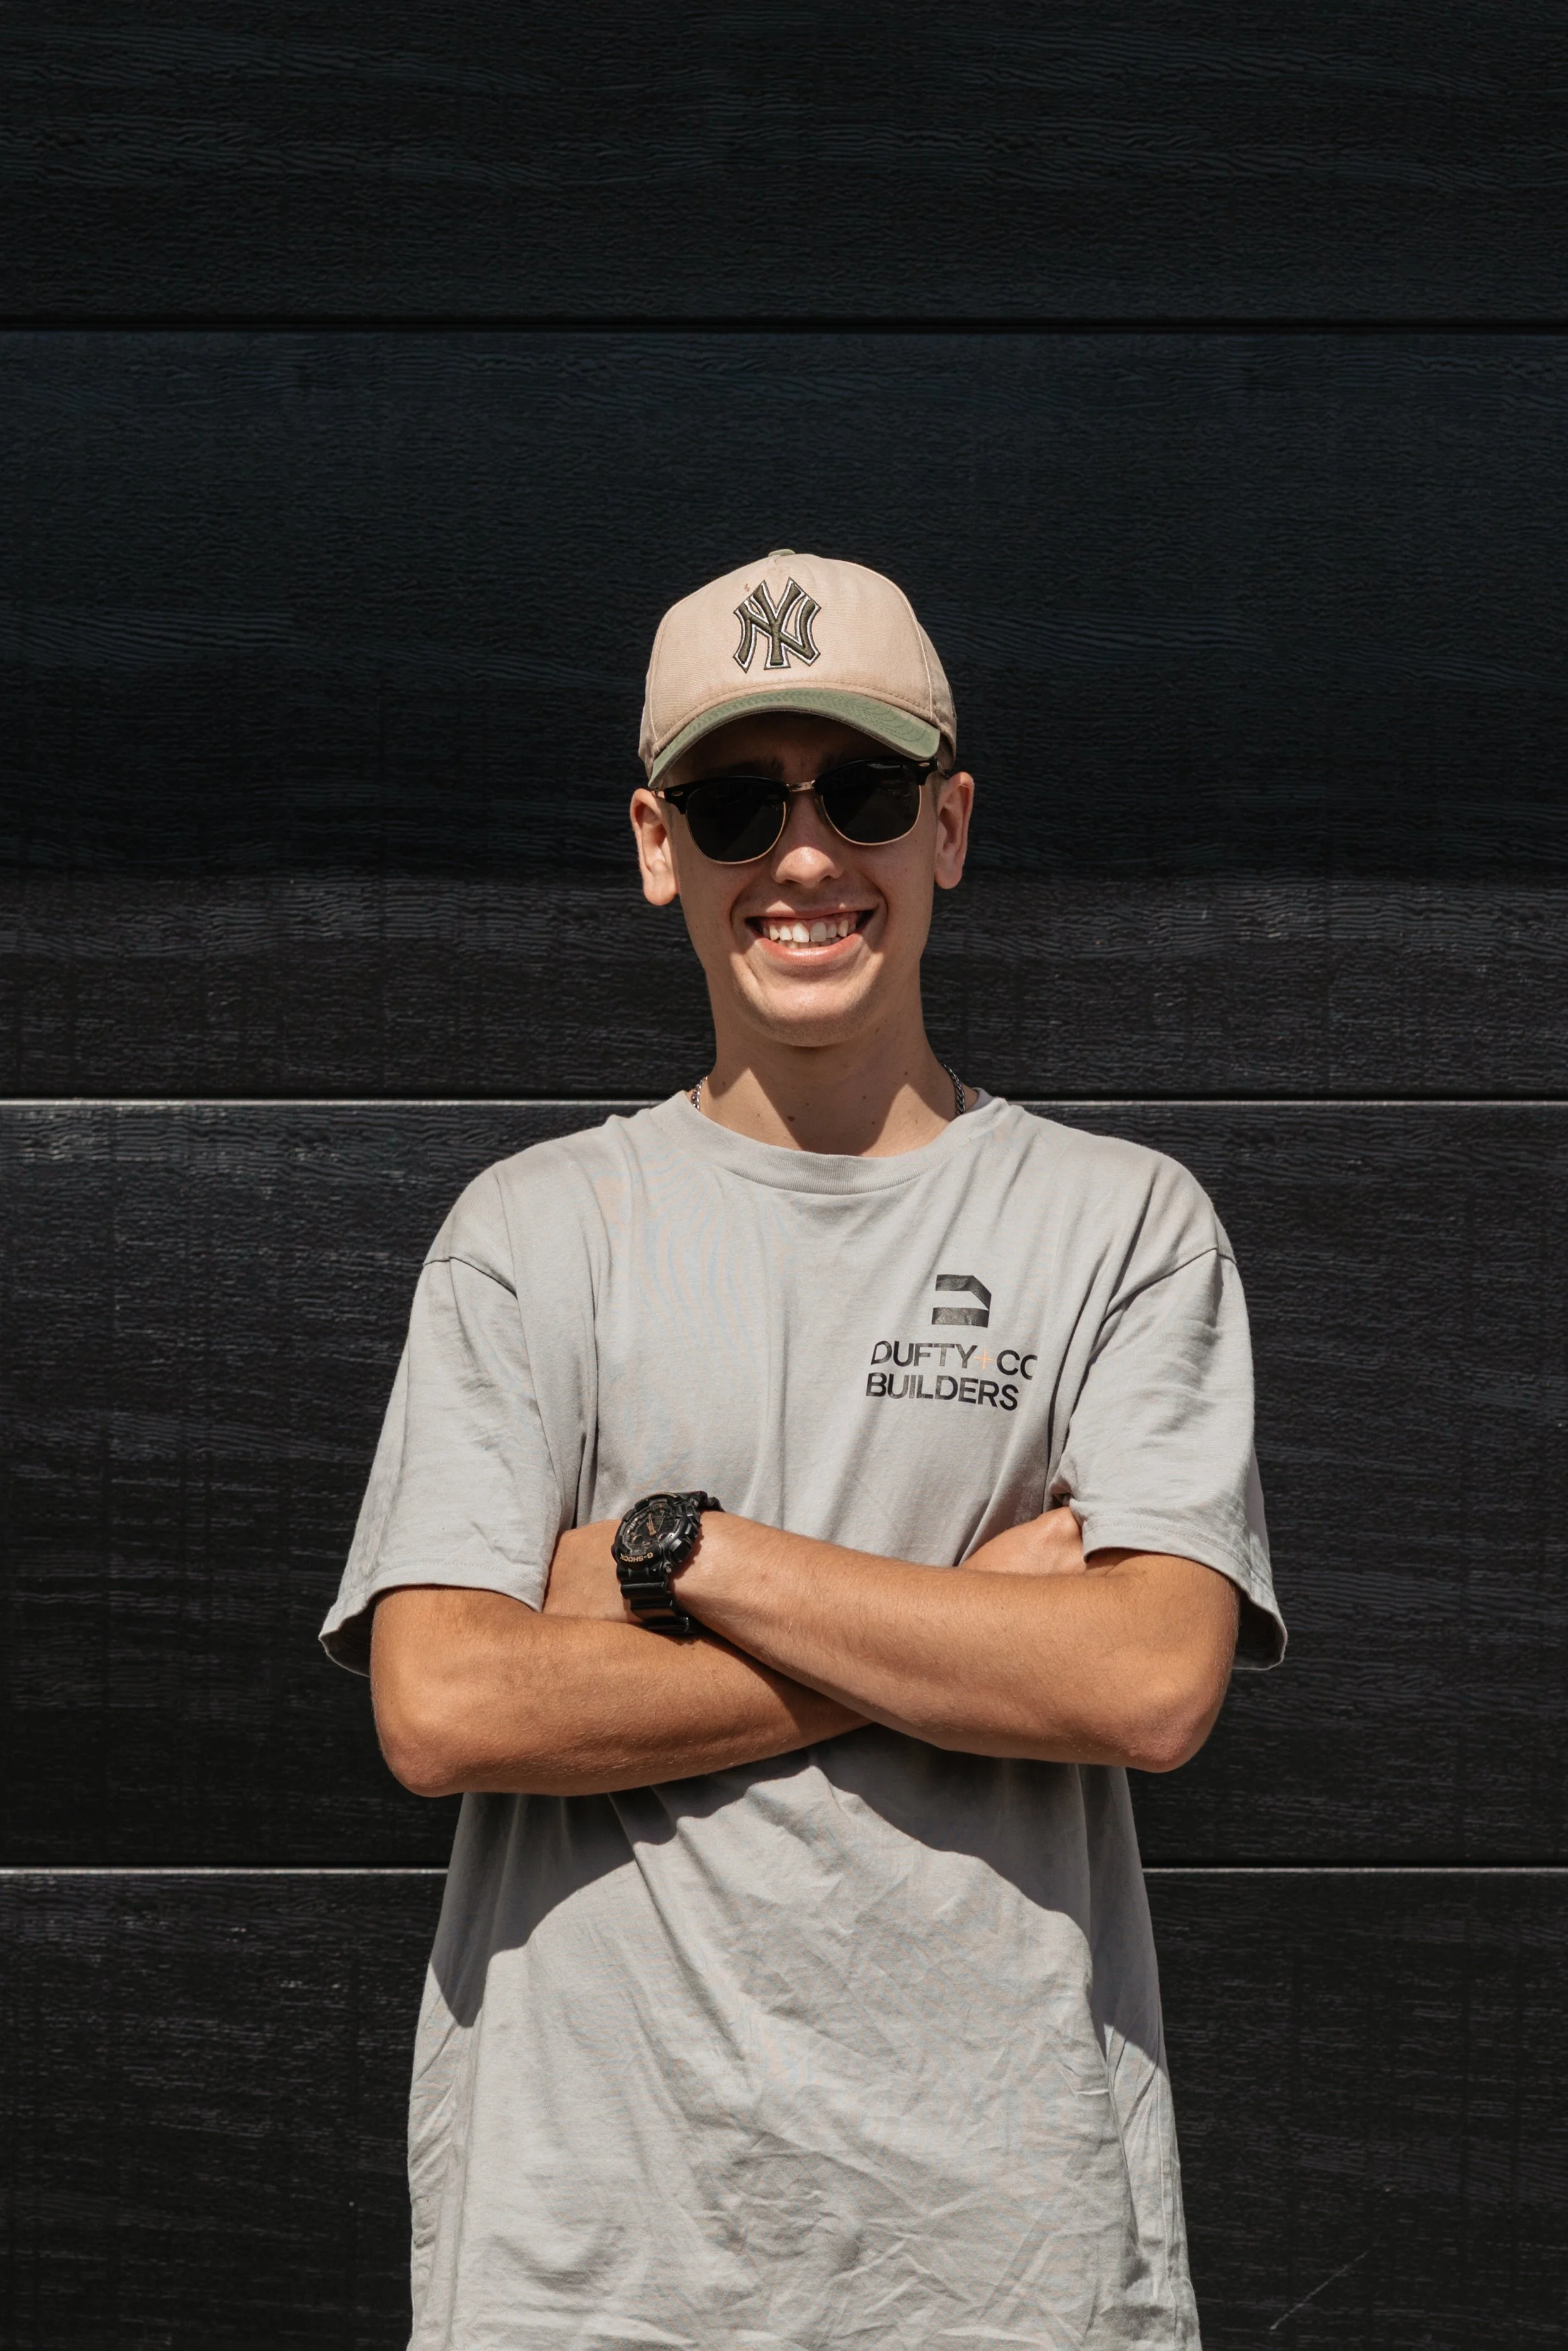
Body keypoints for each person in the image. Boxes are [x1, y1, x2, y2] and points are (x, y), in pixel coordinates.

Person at [321, 548, 1285, 2351]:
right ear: (654, 843)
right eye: (738, 803)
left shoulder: (1124, 1225)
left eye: (860, 791)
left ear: (951, 827)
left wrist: (666, 1566)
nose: (807, 855)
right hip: (589, 2257)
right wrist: (955, 1633)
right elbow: (444, 1704)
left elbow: (1152, 1680)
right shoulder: (534, 1233)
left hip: (1000, 2256)